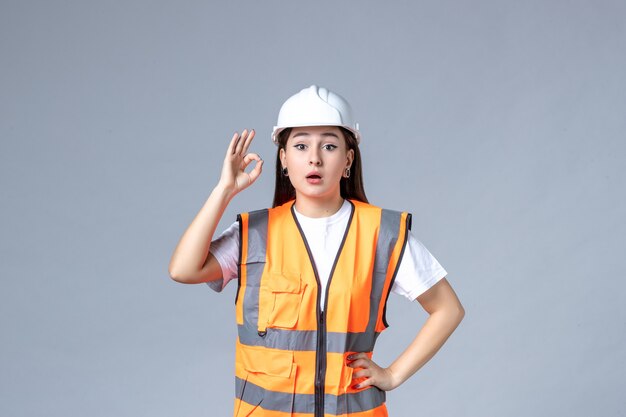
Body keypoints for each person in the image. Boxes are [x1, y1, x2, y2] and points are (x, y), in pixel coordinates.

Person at [169, 85, 465, 417]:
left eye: (328, 145)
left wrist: (393, 374)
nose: (314, 158)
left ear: (348, 159)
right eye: (300, 145)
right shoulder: (254, 235)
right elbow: (183, 269)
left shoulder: (382, 235)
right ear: (283, 159)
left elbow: (448, 309)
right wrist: (223, 191)